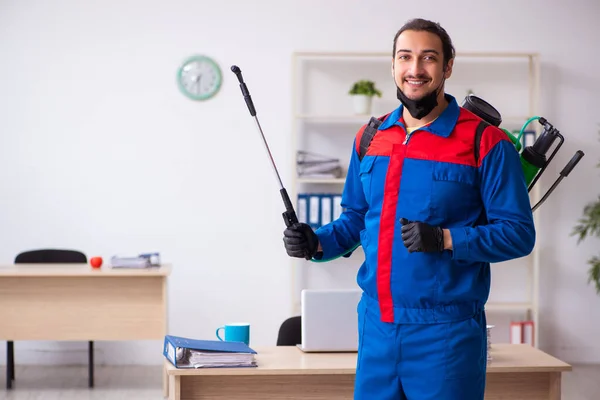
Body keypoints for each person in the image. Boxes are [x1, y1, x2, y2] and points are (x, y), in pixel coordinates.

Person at [283, 18, 535, 400]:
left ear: (448, 66)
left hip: (446, 336)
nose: (415, 69)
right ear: (393, 65)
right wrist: (315, 243)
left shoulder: (486, 142)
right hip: (376, 328)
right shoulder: (370, 137)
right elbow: (355, 219)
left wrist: (447, 238)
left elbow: (518, 234)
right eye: (405, 57)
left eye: (428, 58)